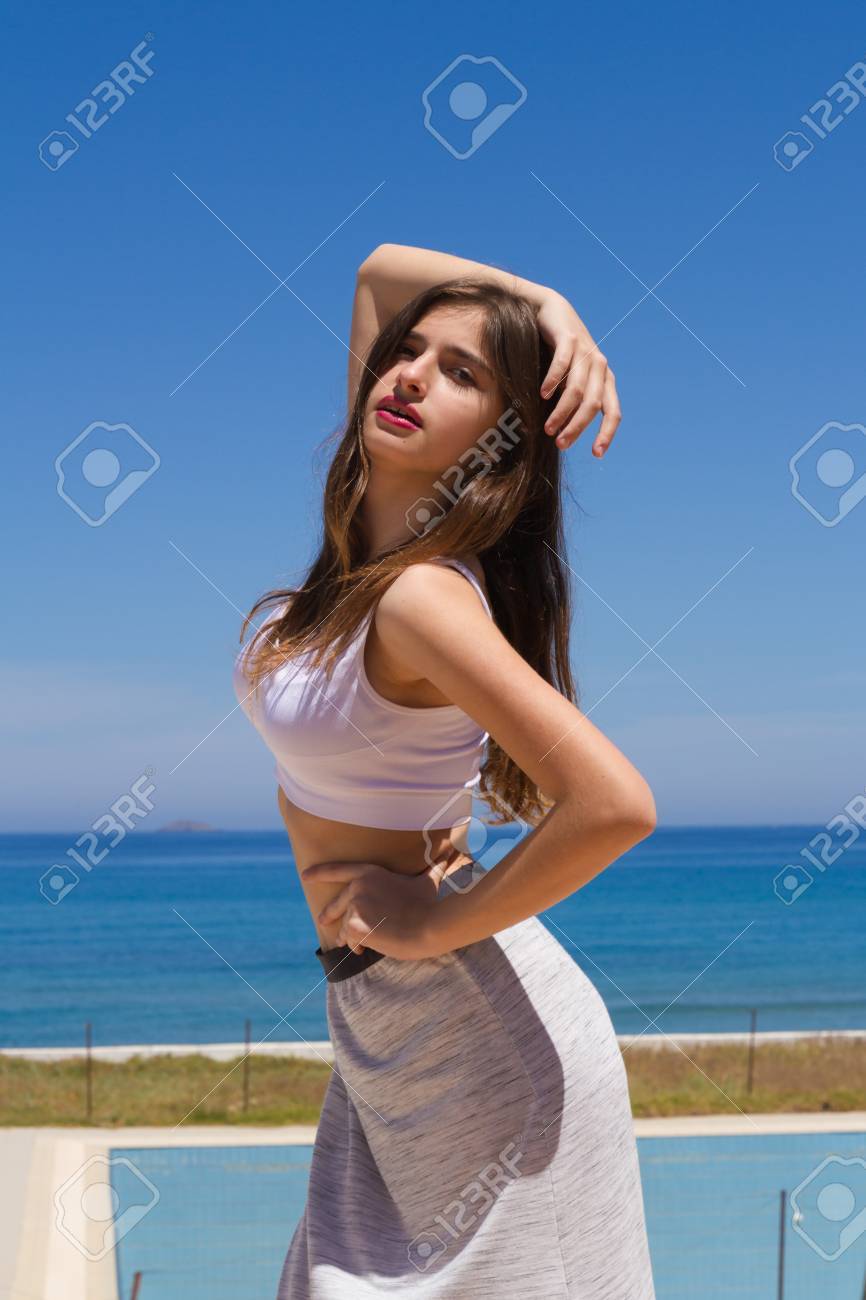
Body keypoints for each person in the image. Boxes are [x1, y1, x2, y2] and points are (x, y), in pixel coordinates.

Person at [232, 242, 657, 1298]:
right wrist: (546, 301)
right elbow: (379, 270)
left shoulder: (420, 597)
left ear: (498, 447)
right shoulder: (353, 570)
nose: (411, 374)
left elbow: (613, 804)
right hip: (378, 1015)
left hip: (460, 1017)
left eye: (463, 374)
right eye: (406, 355)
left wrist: (426, 926)